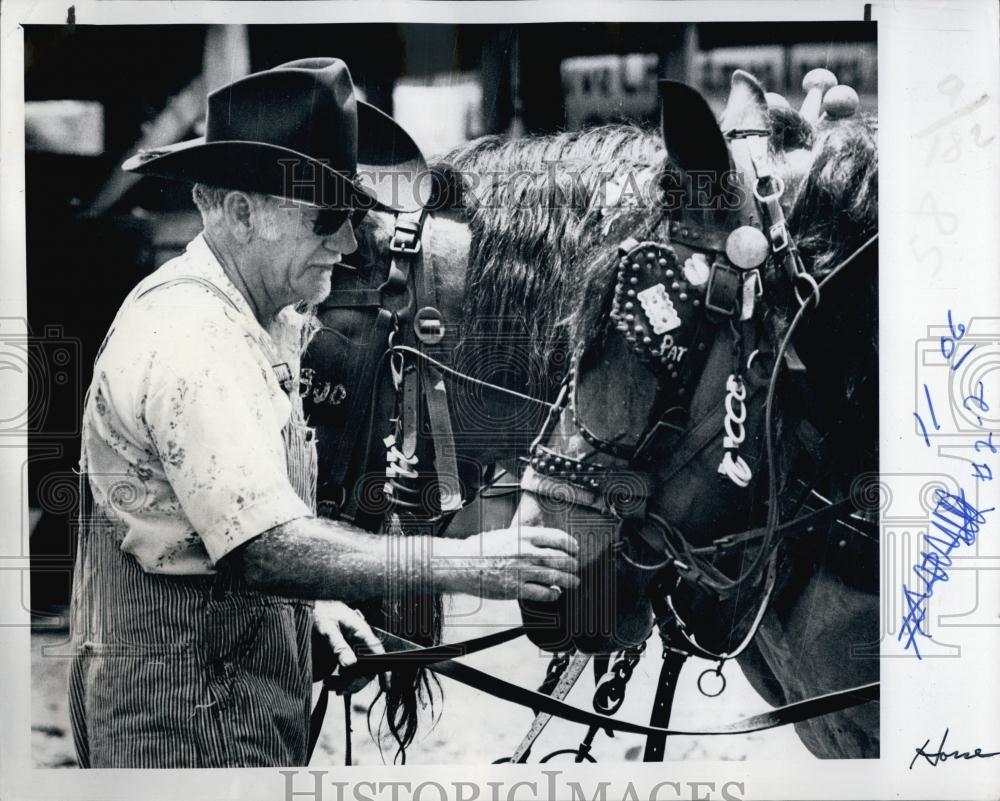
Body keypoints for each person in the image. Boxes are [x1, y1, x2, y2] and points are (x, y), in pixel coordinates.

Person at [68, 57, 579, 769]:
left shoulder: (261, 320)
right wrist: (474, 564)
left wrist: (307, 609)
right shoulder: (191, 335)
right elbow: (267, 548)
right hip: (179, 730)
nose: (346, 244)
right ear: (240, 210)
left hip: (233, 714)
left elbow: (225, 535)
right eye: (328, 218)